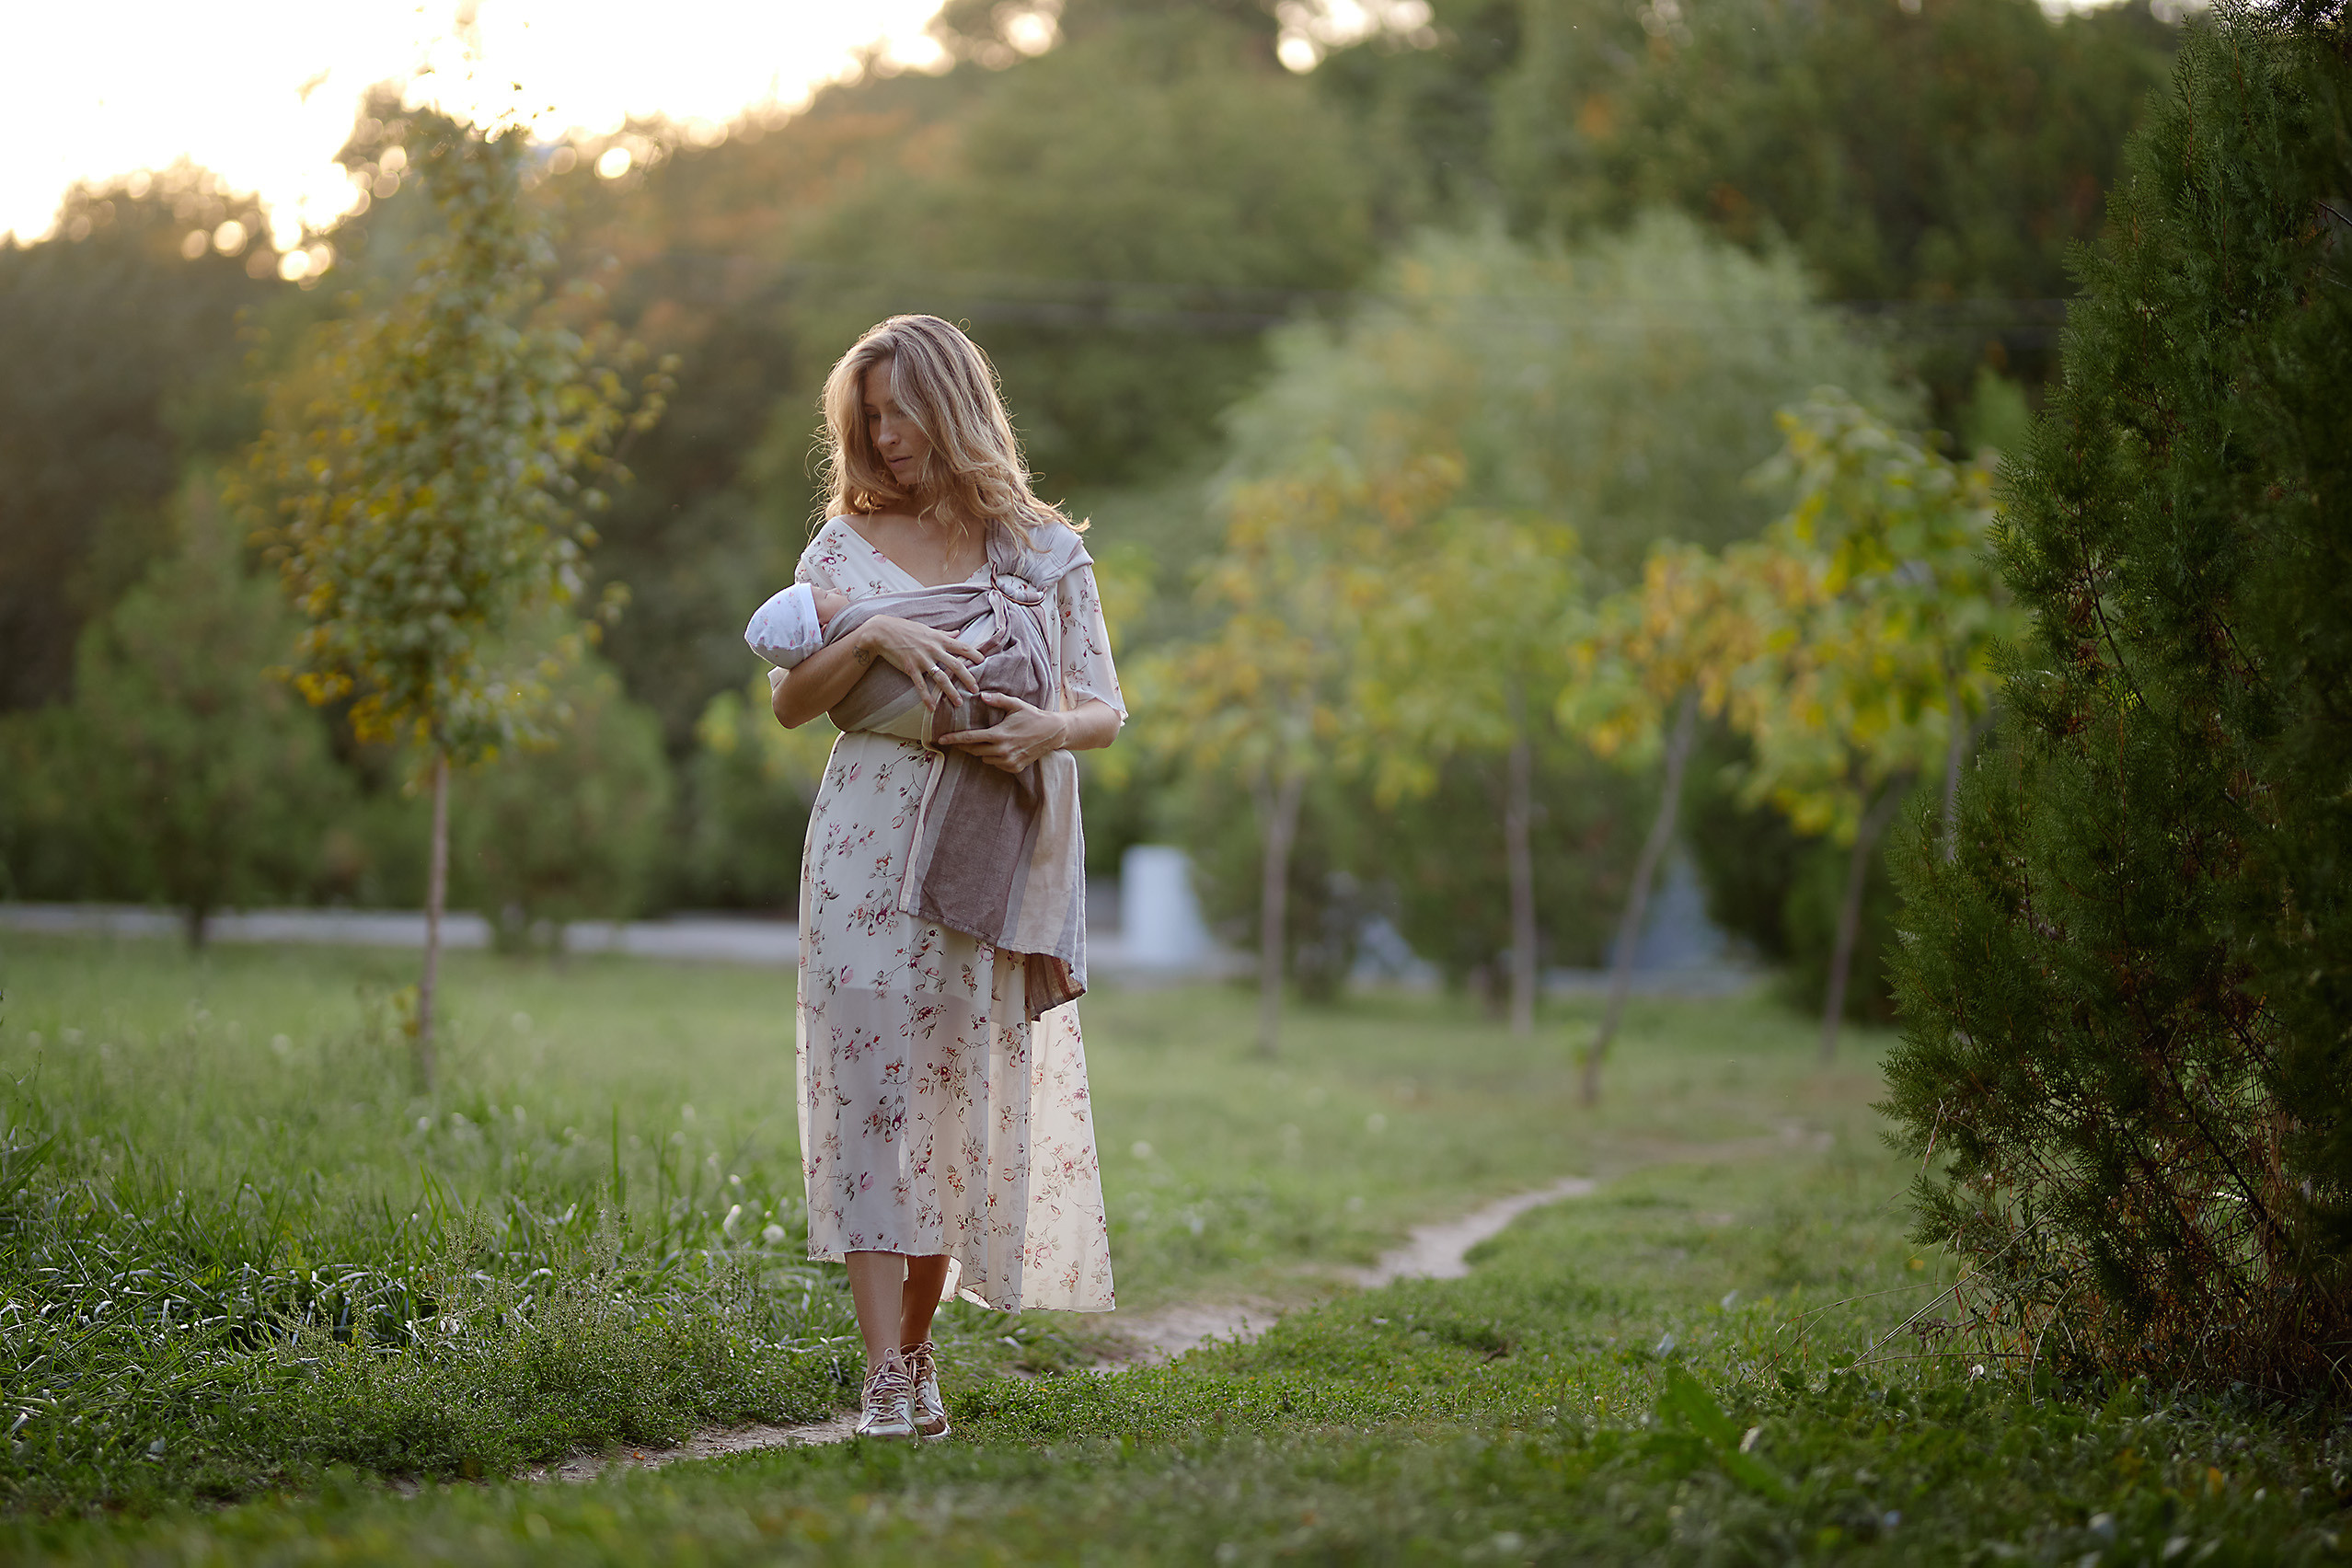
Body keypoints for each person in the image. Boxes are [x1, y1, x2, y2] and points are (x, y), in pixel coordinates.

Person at [767, 315, 1123, 1441]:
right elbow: (790, 702)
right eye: (867, 417)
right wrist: (874, 636)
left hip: (984, 842)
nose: (885, 434)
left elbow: (1105, 708)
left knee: (953, 1108)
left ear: (952, 404)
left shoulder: (1039, 550)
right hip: (865, 836)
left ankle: (918, 1349)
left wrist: (1041, 736)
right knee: (871, 1099)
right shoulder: (841, 549)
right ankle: (883, 1373)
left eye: (899, 409)